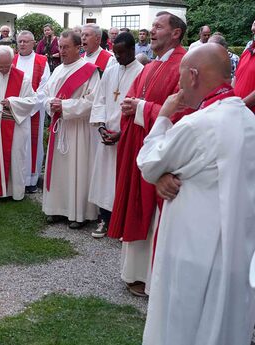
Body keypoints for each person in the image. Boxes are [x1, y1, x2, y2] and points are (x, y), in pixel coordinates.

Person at [138, 43, 255, 345]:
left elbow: (149, 162)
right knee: (225, 319)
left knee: (183, 318)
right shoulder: (247, 120)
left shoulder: (198, 124)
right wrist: (166, 175)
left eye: (180, 77)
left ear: (192, 75)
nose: (177, 85)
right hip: (237, 247)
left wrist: (163, 117)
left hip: (194, 245)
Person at [107, 11, 189, 297]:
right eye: (151, 26)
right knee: (136, 207)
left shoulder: (184, 65)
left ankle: (152, 278)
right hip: (138, 147)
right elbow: (131, 100)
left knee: (153, 215)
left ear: (176, 33)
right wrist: (134, 108)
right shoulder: (151, 65)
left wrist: (140, 108)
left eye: (158, 26)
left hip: (162, 155)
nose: (151, 31)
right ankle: (134, 272)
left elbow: (183, 110)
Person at [41, 30, 100, 227]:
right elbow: (44, 95)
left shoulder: (89, 71)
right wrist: (52, 104)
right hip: (60, 126)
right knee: (58, 169)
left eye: (66, 47)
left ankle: (78, 213)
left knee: (77, 168)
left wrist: (64, 106)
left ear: (78, 47)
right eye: (60, 47)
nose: (62, 51)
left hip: (78, 129)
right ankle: (56, 208)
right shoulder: (57, 70)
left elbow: (93, 101)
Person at [88, 32, 144, 238]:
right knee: (104, 178)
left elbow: (140, 107)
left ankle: (122, 224)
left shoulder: (142, 73)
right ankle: (105, 219)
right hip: (106, 134)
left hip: (126, 135)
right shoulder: (111, 71)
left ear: (132, 50)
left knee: (122, 179)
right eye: (115, 53)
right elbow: (100, 100)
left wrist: (121, 133)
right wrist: (101, 127)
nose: (117, 57)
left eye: (121, 53)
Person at [0, 46, 36, 201]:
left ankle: (14, 191)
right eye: (0, 66)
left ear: (12, 61)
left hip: (15, 125)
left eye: (7, 66)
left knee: (15, 158)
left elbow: (31, 100)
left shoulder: (22, 78)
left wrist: (12, 102)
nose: (4, 69)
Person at [12, 30, 50, 194]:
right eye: (20, 41)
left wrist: (28, 106)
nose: (22, 44)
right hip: (14, 111)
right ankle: (15, 177)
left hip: (33, 110)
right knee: (16, 145)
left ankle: (31, 180)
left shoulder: (42, 61)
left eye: (26, 41)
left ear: (34, 43)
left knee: (33, 144)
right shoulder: (12, 60)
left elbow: (44, 88)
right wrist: (17, 105)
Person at [234, 18, 255, 113]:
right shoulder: (247, 52)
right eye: (254, 24)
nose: (253, 28)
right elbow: (236, 78)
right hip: (238, 112)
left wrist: (239, 105)